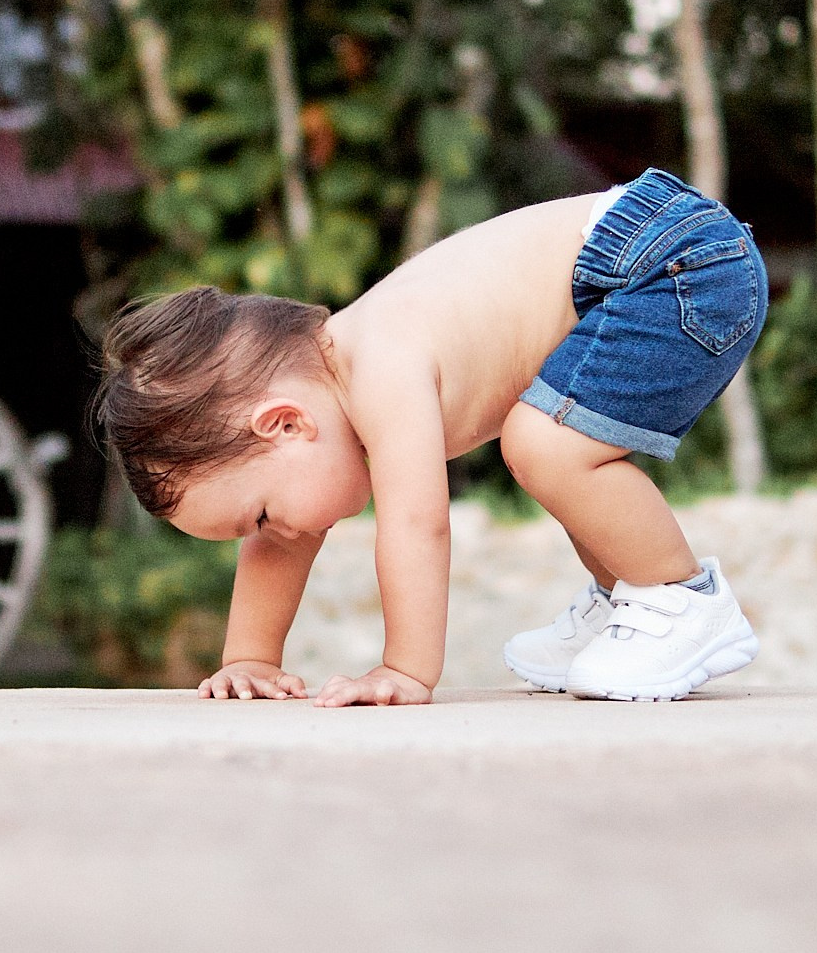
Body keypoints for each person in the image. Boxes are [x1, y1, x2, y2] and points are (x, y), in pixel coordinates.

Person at [92, 167, 767, 706]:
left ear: (285, 421)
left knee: (543, 444)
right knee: (553, 442)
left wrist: (404, 668)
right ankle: (626, 597)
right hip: (654, 257)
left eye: (261, 515)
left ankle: (679, 599)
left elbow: (417, 526)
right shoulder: (330, 398)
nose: (275, 534)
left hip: (674, 263)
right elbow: (279, 546)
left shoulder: (382, 364)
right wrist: (249, 659)